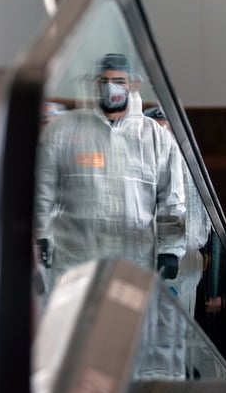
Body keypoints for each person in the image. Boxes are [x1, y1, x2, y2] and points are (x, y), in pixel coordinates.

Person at [34, 53, 186, 290]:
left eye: (118, 81)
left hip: (132, 260)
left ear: (133, 85)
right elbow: (42, 190)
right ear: (94, 83)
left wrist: (170, 250)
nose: (110, 88)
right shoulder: (63, 131)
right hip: (75, 260)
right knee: (75, 325)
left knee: (126, 325)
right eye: (104, 81)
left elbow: (172, 199)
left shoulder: (154, 137)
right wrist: (41, 234)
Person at [144, 106, 212, 317]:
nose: (161, 135)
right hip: (153, 253)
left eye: (166, 129)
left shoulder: (187, 163)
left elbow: (201, 218)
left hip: (180, 254)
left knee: (174, 329)